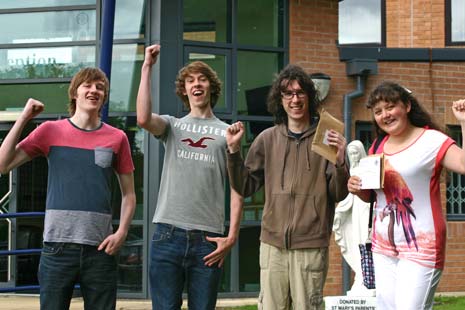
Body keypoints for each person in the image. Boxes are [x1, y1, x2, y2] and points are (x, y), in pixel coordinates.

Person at [0, 67, 136, 310]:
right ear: (75, 93)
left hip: (101, 249)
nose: (94, 90)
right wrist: (24, 118)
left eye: (100, 87)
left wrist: (122, 232)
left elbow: (129, 194)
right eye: (88, 85)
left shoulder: (117, 138)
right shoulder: (50, 131)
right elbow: (3, 164)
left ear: (104, 97)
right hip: (57, 248)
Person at [226, 64, 349, 309]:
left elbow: (339, 193)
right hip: (272, 247)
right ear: (280, 100)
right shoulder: (267, 139)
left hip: (311, 246)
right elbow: (245, 186)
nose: (295, 99)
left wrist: (340, 160)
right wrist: (233, 151)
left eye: (300, 92)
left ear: (309, 97)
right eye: (288, 94)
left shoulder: (326, 137)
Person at [136, 44, 243, 310]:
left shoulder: (227, 132)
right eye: (190, 80)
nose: (196, 84)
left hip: (208, 240)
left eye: (202, 79)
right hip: (167, 235)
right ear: (184, 90)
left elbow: (237, 188)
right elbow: (142, 119)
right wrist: (147, 67)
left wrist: (231, 237)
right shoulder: (172, 125)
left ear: (211, 88)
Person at [348, 81, 465, 310]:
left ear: (407, 106)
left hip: (422, 246)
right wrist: (357, 187)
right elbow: (373, 197)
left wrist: (463, 122)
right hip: (383, 247)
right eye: (378, 111)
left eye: (390, 107)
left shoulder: (432, 140)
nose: (385, 115)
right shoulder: (377, 146)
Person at [333, 140, 374, 296]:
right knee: (357, 241)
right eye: (351, 153)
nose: (353, 155)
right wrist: (341, 211)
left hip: (366, 209)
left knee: (366, 240)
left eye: (356, 152)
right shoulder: (350, 171)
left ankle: (369, 278)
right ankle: (360, 275)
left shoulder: (365, 169)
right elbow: (348, 194)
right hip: (355, 210)